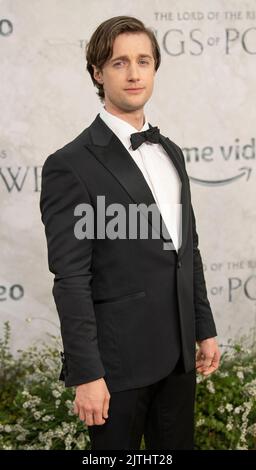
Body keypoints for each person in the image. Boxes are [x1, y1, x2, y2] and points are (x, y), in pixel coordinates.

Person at [40, 16, 221, 450]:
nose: (135, 73)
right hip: (116, 368)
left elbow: (185, 249)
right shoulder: (71, 164)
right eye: (120, 63)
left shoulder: (171, 152)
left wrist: (204, 326)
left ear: (156, 68)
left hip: (178, 357)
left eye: (144, 61)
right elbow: (71, 279)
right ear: (98, 74)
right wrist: (87, 373)